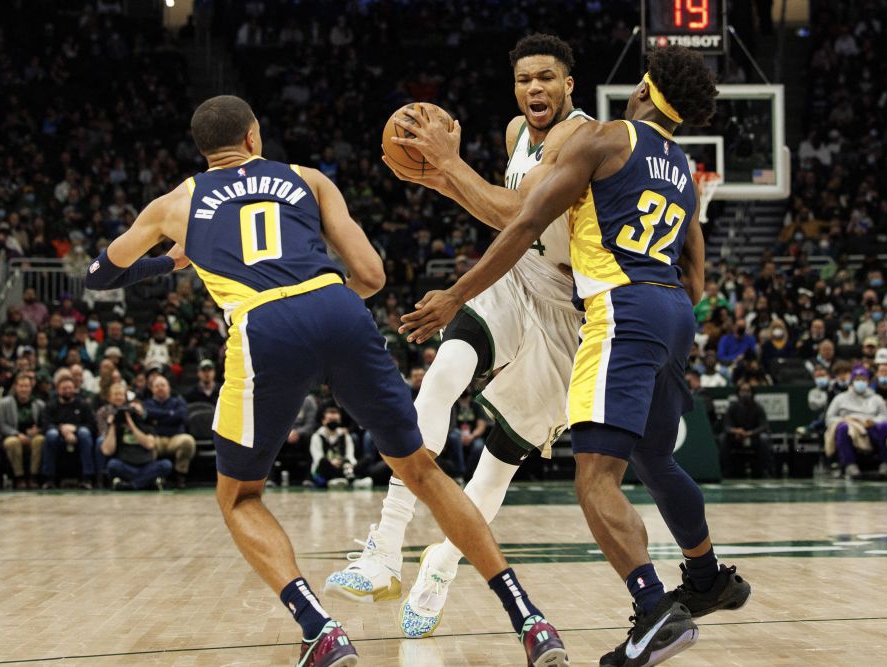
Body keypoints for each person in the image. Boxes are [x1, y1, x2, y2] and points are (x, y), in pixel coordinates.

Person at [84, 94, 567, 666]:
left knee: (239, 496)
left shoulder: (174, 203)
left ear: (202, 149)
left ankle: (322, 630)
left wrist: (172, 262)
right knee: (423, 472)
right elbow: (370, 274)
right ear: (254, 137)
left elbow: (101, 274)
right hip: (337, 307)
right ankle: (529, 619)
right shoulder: (308, 179)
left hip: (263, 325)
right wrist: (328, 306)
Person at [399, 46, 750, 666]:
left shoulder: (605, 137)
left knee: (595, 477)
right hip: (673, 315)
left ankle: (652, 614)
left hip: (622, 312)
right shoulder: (683, 169)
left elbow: (525, 223)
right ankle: (706, 577)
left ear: (642, 90)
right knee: (653, 456)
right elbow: (696, 281)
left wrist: (457, 291)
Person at [327, 34, 595, 640]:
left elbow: (520, 214)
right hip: (514, 272)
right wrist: (438, 179)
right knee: (441, 379)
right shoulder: (513, 134)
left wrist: (448, 165)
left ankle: (442, 566)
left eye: (547, 78)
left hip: (569, 314)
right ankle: (385, 546)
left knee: (498, 465)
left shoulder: (581, 137)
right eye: (526, 79)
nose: (535, 89)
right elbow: (500, 213)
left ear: (569, 84)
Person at [97, 382, 173, 490]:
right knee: (112, 465)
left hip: (146, 465)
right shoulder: (118, 428)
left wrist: (131, 425)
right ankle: (147, 482)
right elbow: (106, 450)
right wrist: (113, 425)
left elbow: (149, 445)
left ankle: (132, 485)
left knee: (166, 465)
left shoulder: (147, 427)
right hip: (126, 466)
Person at [825, 367, 887, 479]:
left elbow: (885, 417)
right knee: (842, 428)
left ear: (868, 381)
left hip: (870, 427)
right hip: (850, 427)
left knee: (886, 426)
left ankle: (886, 464)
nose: (860, 382)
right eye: (857, 379)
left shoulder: (876, 398)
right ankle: (849, 465)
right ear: (852, 381)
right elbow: (829, 418)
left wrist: (874, 421)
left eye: (863, 379)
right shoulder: (840, 398)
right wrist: (846, 420)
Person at [41, 373, 97, 489]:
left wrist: (74, 428)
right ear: (58, 389)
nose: (67, 391)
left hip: (78, 435)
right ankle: (49, 478)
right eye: (64, 388)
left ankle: (87, 477)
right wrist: (62, 430)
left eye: (70, 388)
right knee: (51, 434)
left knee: (85, 433)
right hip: (58, 435)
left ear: (75, 389)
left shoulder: (82, 404)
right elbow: (45, 425)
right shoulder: (51, 405)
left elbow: (92, 425)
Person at [143, 375, 196, 488]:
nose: (160, 388)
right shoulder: (147, 403)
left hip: (175, 438)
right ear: (152, 389)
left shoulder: (178, 401)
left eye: (163, 385)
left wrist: (158, 419)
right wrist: (170, 414)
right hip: (156, 438)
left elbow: (181, 416)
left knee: (188, 441)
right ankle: (154, 477)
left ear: (169, 388)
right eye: (157, 386)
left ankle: (180, 476)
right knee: (146, 443)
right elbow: (147, 415)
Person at [0, 373, 45, 489]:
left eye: (26, 386)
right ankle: (19, 477)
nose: (24, 389)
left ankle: (33, 476)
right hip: (13, 435)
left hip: (33, 437)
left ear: (31, 387)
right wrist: (17, 434)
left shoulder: (39, 404)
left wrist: (38, 430)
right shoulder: (5, 403)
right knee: (12, 442)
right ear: (15, 387)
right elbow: (2, 425)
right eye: (21, 386)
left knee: (40, 440)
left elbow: (45, 424)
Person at [721, 383, 773, 478]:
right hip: (737, 437)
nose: (745, 393)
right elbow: (726, 426)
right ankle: (726, 471)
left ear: (752, 393)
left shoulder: (758, 407)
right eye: (743, 391)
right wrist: (736, 431)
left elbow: (763, 426)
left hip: (753, 438)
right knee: (723, 438)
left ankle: (764, 471)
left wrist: (750, 433)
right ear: (738, 393)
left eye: (748, 391)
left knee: (764, 438)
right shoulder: (732, 408)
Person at [309, 405, 357, 488]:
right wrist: (332, 462)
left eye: (336, 420)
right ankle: (347, 480)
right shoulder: (317, 436)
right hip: (326, 468)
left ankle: (339, 480)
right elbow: (317, 458)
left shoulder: (345, 435)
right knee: (323, 462)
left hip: (343, 466)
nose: (333, 422)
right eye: (330, 420)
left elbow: (350, 455)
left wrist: (347, 463)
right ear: (323, 421)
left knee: (366, 459)